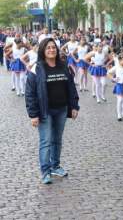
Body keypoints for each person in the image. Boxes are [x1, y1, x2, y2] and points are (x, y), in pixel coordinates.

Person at [25, 38, 79, 184]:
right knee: (46, 141)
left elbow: (71, 88)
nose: (51, 50)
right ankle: (45, 171)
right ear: (43, 50)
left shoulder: (63, 66)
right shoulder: (36, 68)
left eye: (53, 48)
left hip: (61, 109)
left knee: (57, 140)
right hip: (45, 111)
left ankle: (55, 166)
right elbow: (30, 93)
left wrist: (74, 106)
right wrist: (33, 115)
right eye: (48, 48)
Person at [108, 53, 123, 121]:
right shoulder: (116, 67)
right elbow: (109, 73)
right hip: (119, 85)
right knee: (120, 100)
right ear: (119, 61)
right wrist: (113, 79)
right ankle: (119, 115)